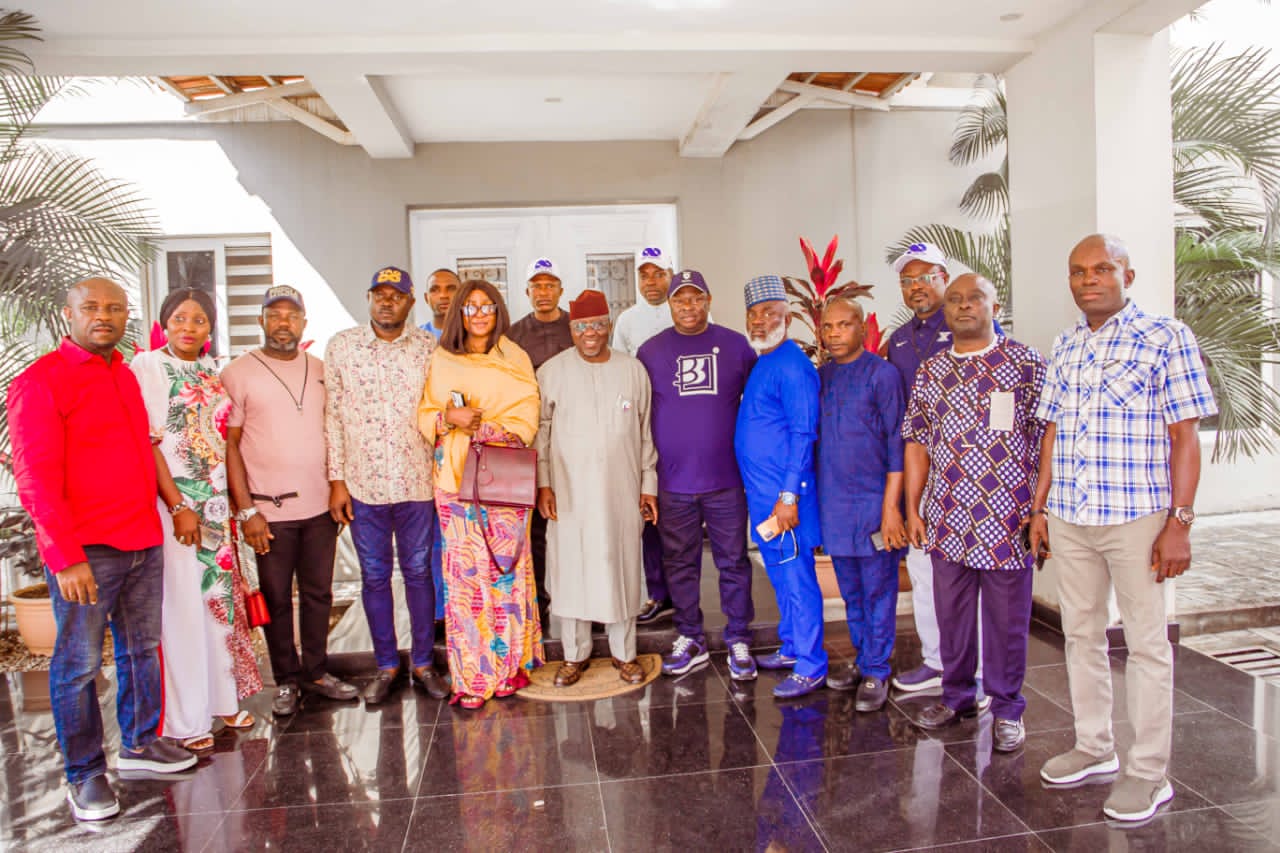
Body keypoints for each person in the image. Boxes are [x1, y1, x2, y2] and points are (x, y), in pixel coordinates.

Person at [1032, 235, 1217, 822]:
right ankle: (1094, 746)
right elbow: (1053, 432)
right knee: (1081, 634)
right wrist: (1040, 508)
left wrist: (1179, 523)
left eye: (1103, 268)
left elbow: (1185, 436)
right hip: (1070, 514)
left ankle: (1147, 773)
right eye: (1078, 270)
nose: (1089, 278)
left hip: (1137, 518)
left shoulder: (1166, 338)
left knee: (1144, 645)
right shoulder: (1064, 344)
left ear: (1127, 275)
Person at [9, 278, 196, 822]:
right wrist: (64, 556)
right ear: (68, 314)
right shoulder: (41, 382)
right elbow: (34, 479)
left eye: (115, 308)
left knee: (141, 649)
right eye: (91, 307)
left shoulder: (122, 374)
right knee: (79, 664)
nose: (104, 316)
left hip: (141, 538)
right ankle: (84, 774)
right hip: (87, 550)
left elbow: (141, 449)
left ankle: (140, 745)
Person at [901, 274, 1046, 753]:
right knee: (953, 616)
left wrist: (1039, 507)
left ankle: (1006, 709)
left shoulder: (1024, 363)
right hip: (947, 516)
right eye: (956, 300)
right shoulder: (933, 370)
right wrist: (913, 506)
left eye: (974, 298)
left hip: (1007, 519)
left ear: (994, 304)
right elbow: (918, 441)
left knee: (1006, 622)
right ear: (946, 309)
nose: (964, 306)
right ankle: (957, 697)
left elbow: (1049, 439)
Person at [131, 288, 262, 754]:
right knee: (182, 610)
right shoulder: (147, 367)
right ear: (165, 324)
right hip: (177, 510)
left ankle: (222, 699)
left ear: (210, 328)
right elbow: (146, 442)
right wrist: (176, 505)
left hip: (214, 509)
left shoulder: (213, 371)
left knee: (218, 604)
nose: (190, 327)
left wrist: (236, 507)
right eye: (180, 318)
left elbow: (224, 443)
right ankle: (186, 717)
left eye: (200, 320)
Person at [223, 284, 357, 717]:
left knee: (319, 593)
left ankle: (316, 672)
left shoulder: (320, 368)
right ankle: (286, 680)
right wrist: (246, 511)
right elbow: (230, 446)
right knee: (277, 597)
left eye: (292, 315)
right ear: (261, 320)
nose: (284, 322)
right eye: (274, 314)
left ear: (303, 322)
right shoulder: (238, 373)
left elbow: (337, 430)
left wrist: (340, 486)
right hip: (268, 510)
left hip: (321, 507)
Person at [325, 266, 449, 705]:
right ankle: (384, 665)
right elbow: (333, 417)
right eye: (379, 294)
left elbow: (442, 408)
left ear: (410, 302)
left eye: (395, 295)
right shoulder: (342, 347)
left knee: (418, 573)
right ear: (369, 298)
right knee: (375, 576)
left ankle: (422, 663)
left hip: (417, 484)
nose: (386, 302)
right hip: (364, 485)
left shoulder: (428, 348)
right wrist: (337, 481)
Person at [418, 279, 544, 709]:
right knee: (466, 580)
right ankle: (473, 676)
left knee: (506, 574)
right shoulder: (442, 358)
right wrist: (448, 416)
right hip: (456, 484)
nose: (479, 313)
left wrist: (495, 430)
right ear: (458, 313)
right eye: (470, 307)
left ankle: (510, 669)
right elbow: (424, 413)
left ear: (498, 310)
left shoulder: (515, 355)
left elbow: (530, 405)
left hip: (504, 475)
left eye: (486, 305)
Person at [637, 269, 757, 678]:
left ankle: (739, 636)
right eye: (679, 299)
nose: (688, 306)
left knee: (734, 562)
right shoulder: (650, 352)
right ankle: (690, 636)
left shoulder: (736, 345)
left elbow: (756, 405)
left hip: (726, 480)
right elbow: (641, 417)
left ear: (708, 300)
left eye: (696, 298)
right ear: (668, 304)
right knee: (680, 563)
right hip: (673, 483)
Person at [535, 289, 658, 686]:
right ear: (571, 329)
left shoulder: (632, 370)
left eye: (597, 324)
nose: (590, 333)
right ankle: (573, 656)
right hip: (568, 493)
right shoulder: (551, 371)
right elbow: (541, 434)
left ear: (608, 325)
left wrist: (648, 485)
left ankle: (625, 654)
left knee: (619, 564)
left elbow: (645, 434)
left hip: (621, 490)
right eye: (581, 326)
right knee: (570, 568)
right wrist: (544, 484)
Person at [885, 242, 991, 694]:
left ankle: (981, 670)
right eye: (908, 281)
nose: (917, 287)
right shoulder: (900, 341)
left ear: (945, 279)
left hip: (971, 472)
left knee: (973, 572)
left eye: (926, 276)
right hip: (920, 469)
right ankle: (935, 660)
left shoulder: (971, 327)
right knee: (923, 565)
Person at [733, 275, 828, 698]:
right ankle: (792, 647)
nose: (760, 320)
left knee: (797, 577)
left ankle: (811, 664)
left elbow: (804, 433)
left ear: (787, 317)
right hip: (763, 497)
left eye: (770, 312)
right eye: (753, 313)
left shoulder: (793, 365)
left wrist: (788, 495)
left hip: (784, 499)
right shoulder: (764, 361)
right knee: (780, 574)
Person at [816, 295, 907, 711]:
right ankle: (861, 656)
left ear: (862, 328)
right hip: (835, 504)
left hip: (873, 503)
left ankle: (877, 669)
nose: (834, 334)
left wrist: (892, 509)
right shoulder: (822, 377)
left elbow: (896, 445)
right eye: (828, 327)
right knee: (850, 593)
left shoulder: (882, 376)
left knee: (878, 590)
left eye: (843, 325)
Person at [508, 257, 575, 620]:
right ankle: (539, 602)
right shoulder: (514, 335)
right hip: (532, 439)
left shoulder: (577, 327)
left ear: (560, 290)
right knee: (535, 526)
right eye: (537, 285)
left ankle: (581, 596)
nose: (544, 291)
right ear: (528, 292)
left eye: (550, 285)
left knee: (576, 517)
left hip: (576, 436)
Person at [613, 247, 677, 626]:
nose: (651, 282)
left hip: (681, 426)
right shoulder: (628, 320)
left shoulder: (686, 308)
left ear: (670, 274)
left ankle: (683, 592)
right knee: (648, 512)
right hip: (643, 426)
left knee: (680, 516)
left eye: (658, 274)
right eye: (644, 275)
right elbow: (620, 372)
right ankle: (657, 593)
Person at [419, 268, 460, 339]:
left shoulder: (474, 335)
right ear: (426, 298)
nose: (443, 295)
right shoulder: (416, 338)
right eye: (434, 290)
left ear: (461, 295)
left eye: (451, 289)